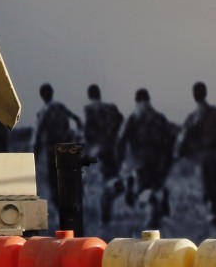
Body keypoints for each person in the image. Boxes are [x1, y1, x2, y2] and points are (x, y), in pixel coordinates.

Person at [176, 81, 216, 227]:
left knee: (210, 192)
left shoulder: (194, 117)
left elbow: (183, 138)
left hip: (207, 158)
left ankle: (214, 215)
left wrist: (178, 153)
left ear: (194, 96)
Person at [116, 88, 177, 227]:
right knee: (154, 188)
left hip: (139, 163)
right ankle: (160, 197)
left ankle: (152, 210)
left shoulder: (134, 117)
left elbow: (121, 140)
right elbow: (171, 140)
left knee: (142, 194)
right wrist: (167, 162)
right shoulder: (159, 117)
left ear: (136, 101)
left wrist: (120, 163)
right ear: (149, 100)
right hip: (158, 163)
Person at [32, 83, 82, 212]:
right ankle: (70, 204)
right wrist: (77, 135)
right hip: (65, 146)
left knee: (54, 180)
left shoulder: (44, 111)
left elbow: (38, 134)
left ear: (41, 96)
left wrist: (35, 154)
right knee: (67, 176)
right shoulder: (60, 107)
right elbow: (77, 119)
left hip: (51, 149)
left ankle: (60, 207)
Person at [83, 84, 125, 224]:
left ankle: (105, 217)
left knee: (105, 182)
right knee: (112, 177)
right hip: (114, 147)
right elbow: (121, 120)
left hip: (101, 149)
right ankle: (123, 187)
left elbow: (88, 132)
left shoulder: (89, 109)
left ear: (89, 95)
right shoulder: (111, 107)